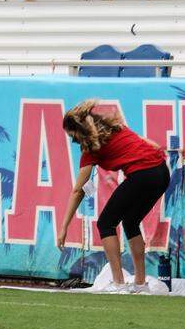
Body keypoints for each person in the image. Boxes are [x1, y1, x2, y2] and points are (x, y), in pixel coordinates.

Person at [58, 100, 169, 294]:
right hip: (161, 172)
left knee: (106, 223)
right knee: (131, 221)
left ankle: (119, 284)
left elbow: (78, 191)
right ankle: (140, 284)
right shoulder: (118, 128)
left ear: (79, 131)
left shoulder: (91, 150)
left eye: (71, 135)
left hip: (142, 174)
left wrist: (64, 227)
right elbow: (149, 143)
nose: (72, 140)